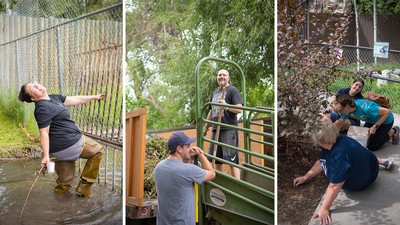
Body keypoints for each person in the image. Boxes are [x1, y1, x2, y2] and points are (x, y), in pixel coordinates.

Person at [293, 122, 392, 225]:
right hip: (372, 165)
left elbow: (335, 186)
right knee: (355, 154)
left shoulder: (338, 156)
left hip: (364, 181)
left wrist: (324, 208)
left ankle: (377, 163)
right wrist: (305, 177)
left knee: (335, 176)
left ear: (320, 141)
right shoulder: (340, 138)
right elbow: (321, 161)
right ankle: (380, 161)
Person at [18, 81, 105, 197]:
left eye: (35, 83)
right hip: (70, 142)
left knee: (65, 182)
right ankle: (84, 187)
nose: (37, 85)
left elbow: (75, 99)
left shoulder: (54, 98)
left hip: (60, 150)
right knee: (98, 150)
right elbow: (44, 133)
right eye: (33, 88)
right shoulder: (42, 109)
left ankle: (59, 203)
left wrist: (95, 97)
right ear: (33, 98)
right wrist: (45, 156)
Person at [154, 132, 216, 225]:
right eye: (188, 146)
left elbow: (176, 168)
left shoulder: (158, 167)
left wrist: (187, 156)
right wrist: (200, 154)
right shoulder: (188, 170)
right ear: (179, 149)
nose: (190, 149)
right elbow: (211, 173)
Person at [204, 69, 243, 179]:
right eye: (219, 75)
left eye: (224, 75)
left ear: (228, 78)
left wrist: (226, 105)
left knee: (232, 160)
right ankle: (219, 184)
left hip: (228, 128)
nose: (221, 77)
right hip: (216, 129)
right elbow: (211, 112)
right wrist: (206, 128)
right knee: (217, 160)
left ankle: (238, 186)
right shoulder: (215, 93)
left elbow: (239, 109)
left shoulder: (232, 91)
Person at [332, 93, 399, 151]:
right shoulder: (349, 109)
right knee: (363, 139)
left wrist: (375, 127)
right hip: (371, 119)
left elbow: (387, 112)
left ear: (347, 107)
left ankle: (393, 131)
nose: (340, 113)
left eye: (340, 110)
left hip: (385, 121)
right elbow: (339, 122)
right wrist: (328, 133)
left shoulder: (366, 108)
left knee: (372, 147)